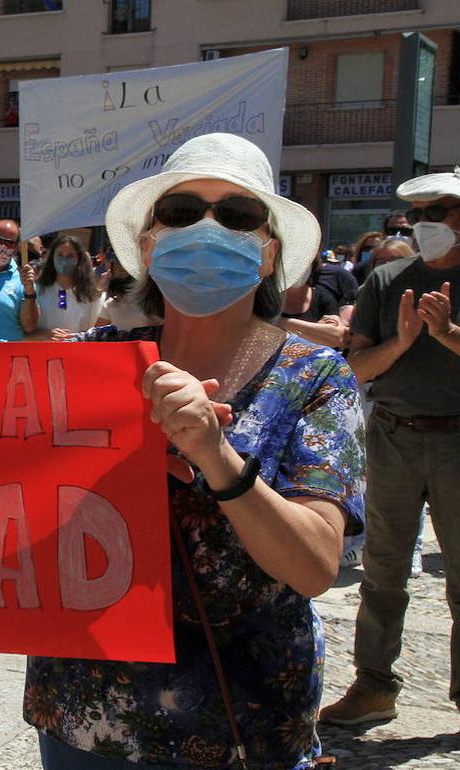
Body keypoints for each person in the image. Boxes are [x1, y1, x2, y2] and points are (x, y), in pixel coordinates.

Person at [26, 134, 364, 769]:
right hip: (84, 710)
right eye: (181, 212)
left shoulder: (315, 376)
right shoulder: (90, 365)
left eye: (236, 216)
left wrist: (217, 457)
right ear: (149, 246)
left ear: (268, 257)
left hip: (240, 721)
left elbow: (316, 565)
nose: (207, 227)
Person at [320, 166, 460, 727]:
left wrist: (447, 336)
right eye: (418, 214)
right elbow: (356, 367)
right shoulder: (387, 280)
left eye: (438, 213)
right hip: (394, 436)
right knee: (382, 572)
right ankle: (374, 685)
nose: (424, 224)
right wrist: (401, 344)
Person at [28, 235, 104, 340]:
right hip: (43, 353)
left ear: (79, 259)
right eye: (60, 255)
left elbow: (95, 334)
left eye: (70, 256)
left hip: (77, 353)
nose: (64, 260)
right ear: (52, 257)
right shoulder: (36, 290)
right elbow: (24, 331)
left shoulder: (93, 296)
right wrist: (46, 335)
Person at [94, 249, 160, 329]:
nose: (119, 269)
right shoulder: (111, 304)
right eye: (116, 265)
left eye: (122, 267)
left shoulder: (153, 304)